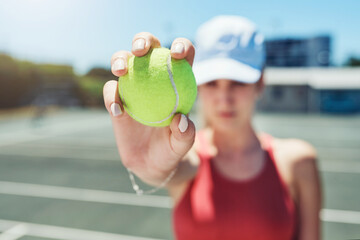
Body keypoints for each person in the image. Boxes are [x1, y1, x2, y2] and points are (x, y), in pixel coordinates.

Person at [103, 15, 322, 240]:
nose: (224, 98)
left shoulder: (299, 161)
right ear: (196, 83)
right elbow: (170, 170)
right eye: (212, 82)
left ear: (260, 83)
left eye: (238, 82)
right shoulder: (183, 152)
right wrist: (147, 165)